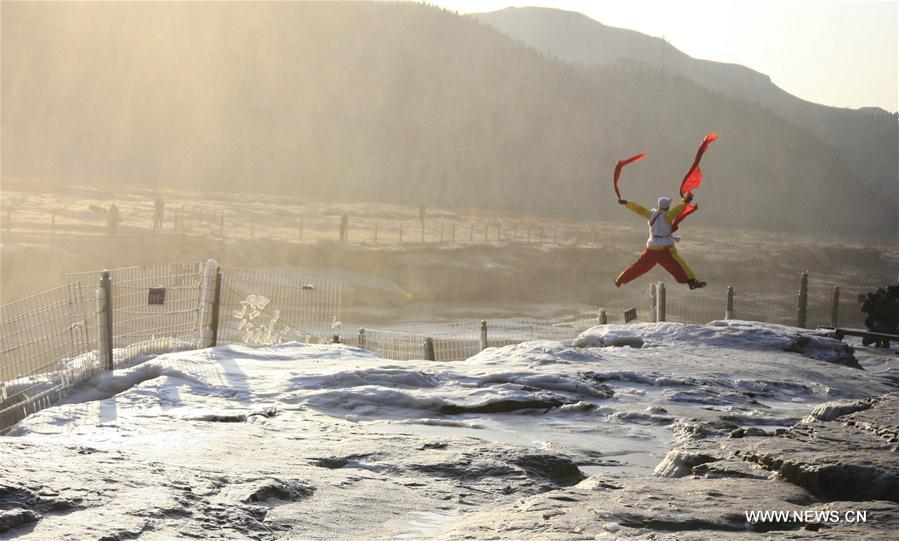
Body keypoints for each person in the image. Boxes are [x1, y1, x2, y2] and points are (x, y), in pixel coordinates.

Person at [614, 194, 706, 289]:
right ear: (668, 207)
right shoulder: (668, 215)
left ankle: (620, 279)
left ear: (659, 206)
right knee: (679, 265)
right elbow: (680, 208)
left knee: (638, 266)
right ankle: (691, 281)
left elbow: (639, 209)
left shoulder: (651, 214)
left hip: (652, 247)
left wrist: (627, 203)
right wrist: (686, 200)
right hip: (665, 248)